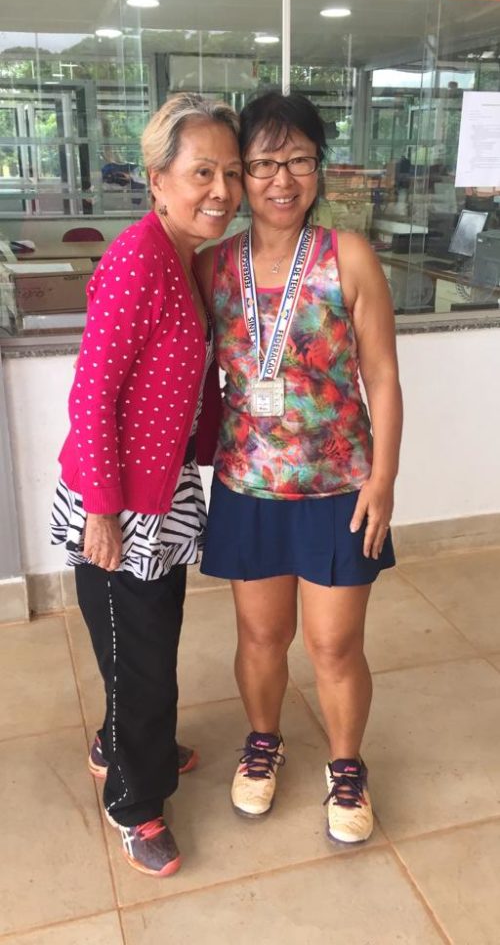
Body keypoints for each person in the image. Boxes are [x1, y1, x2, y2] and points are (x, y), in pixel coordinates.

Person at [196, 91, 403, 845]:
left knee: (334, 645)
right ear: (240, 174)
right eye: (263, 164)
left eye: (299, 160)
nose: (282, 179)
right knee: (261, 635)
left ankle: (346, 766)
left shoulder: (349, 255)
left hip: (339, 486)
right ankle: (263, 742)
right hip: (248, 484)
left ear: (320, 166)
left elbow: (382, 375)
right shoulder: (213, 265)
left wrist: (384, 478)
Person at [50, 93, 242, 876]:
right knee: (141, 658)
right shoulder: (137, 259)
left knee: (145, 642)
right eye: (203, 172)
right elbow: (91, 393)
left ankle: (122, 741)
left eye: (232, 173)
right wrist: (101, 510)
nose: (222, 191)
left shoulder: (185, 258)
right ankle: (135, 801)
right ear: (158, 180)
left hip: (159, 494)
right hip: (118, 502)